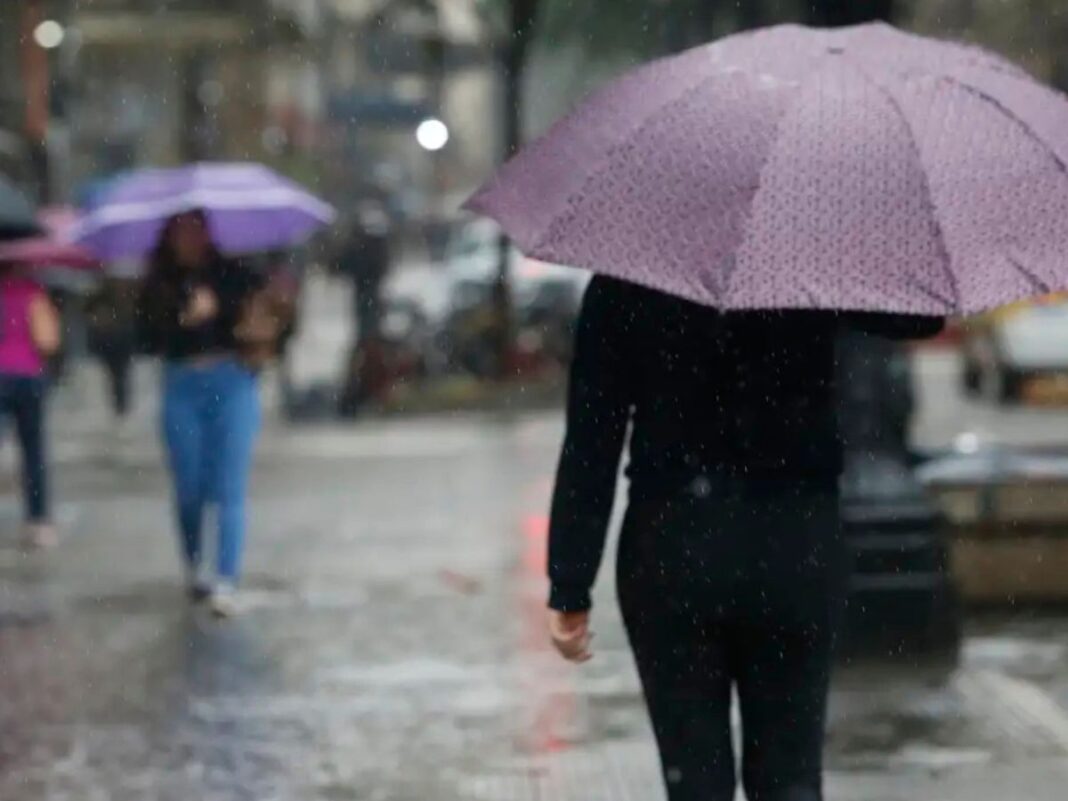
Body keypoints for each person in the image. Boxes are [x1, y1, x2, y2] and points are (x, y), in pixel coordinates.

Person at [545, 275, 942, 801]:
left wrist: (570, 583)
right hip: (792, 544)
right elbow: (919, 316)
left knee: (694, 778)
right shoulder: (805, 267)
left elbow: (592, 441)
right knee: (790, 776)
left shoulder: (627, 280)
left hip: (672, 547)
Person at [138, 211, 278, 618]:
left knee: (229, 486)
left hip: (232, 382)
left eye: (196, 228)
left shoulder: (236, 273)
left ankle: (226, 578)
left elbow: (267, 324)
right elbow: (146, 338)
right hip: (181, 384)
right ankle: (195, 564)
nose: (190, 238)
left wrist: (226, 312)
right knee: (189, 487)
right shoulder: (158, 283)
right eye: (181, 230)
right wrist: (185, 319)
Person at [0, 268, 61, 548]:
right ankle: (38, 521)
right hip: (27, 376)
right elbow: (48, 341)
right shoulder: (33, 291)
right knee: (33, 450)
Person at [86, 276, 140, 439]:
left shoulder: (128, 293)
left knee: (121, 374)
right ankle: (119, 404)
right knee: (116, 375)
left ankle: (121, 405)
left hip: (121, 339)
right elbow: (89, 311)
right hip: (110, 339)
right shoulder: (104, 294)